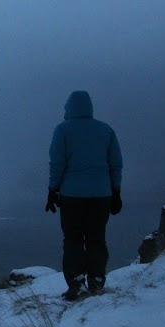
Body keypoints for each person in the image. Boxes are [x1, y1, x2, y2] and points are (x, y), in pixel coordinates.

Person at [45, 90, 123, 301]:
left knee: (73, 240)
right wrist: (116, 191)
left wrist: (53, 189)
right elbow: (115, 163)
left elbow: (57, 163)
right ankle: (96, 282)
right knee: (97, 238)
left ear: (69, 109)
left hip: (72, 196)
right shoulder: (105, 130)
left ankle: (76, 285)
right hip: (101, 195)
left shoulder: (62, 131)